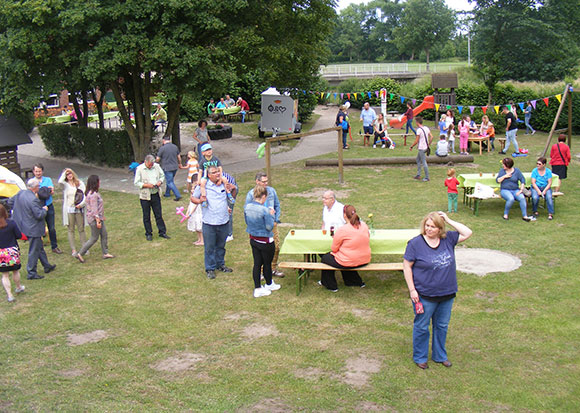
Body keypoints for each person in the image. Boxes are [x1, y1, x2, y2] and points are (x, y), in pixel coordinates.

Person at [403, 211, 472, 369]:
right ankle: (420, 357)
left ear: (440, 229)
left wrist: (448, 219)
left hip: (447, 294)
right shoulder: (415, 244)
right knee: (422, 326)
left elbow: (467, 232)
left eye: (433, 227)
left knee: (441, 326)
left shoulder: (448, 239)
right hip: (425, 295)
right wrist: (412, 290)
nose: (429, 229)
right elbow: (407, 266)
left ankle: (440, 355)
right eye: (427, 226)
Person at [7, 179, 56, 280]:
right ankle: (31, 272)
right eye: (38, 186)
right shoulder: (33, 199)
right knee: (34, 249)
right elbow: (39, 215)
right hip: (33, 228)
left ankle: (46, 265)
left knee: (38, 246)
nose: (39, 188)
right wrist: (44, 209)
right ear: (34, 188)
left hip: (22, 225)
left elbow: (10, 202)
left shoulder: (20, 193)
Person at [191, 166, 233, 279]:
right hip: (209, 222)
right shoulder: (202, 186)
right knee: (209, 247)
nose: (217, 174)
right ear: (209, 175)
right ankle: (210, 268)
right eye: (214, 173)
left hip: (223, 221)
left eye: (218, 172)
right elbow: (193, 198)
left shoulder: (224, 183)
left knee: (221, 245)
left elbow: (231, 194)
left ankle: (220, 264)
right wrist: (200, 201)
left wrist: (231, 189)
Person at [319, 205, 370, 292]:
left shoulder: (343, 229)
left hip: (349, 260)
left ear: (344, 215)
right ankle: (353, 281)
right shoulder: (364, 225)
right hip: (364, 259)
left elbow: (334, 249)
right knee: (344, 258)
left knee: (325, 257)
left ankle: (330, 285)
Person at [244, 185, 282, 298]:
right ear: (264, 196)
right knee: (267, 263)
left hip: (253, 239)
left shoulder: (247, 207)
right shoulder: (265, 210)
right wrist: (271, 215)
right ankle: (263, 286)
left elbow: (247, 221)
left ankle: (264, 285)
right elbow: (269, 226)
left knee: (257, 263)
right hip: (265, 241)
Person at [245, 172, 284, 278]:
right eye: (263, 181)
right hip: (259, 226)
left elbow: (277, 205)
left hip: (271, 223)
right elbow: (247, 210)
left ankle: (272, 268)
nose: (266, 183)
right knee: (260, 250)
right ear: (257, 182)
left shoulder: (271, 191)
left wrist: (275, 219)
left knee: (276, 247)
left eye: (267, 181)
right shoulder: (250, 194)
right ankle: (262, 271)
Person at [76, 175, 114, 262]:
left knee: (104, 234)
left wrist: (101, 217)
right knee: (94, 238)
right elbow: (94, 209)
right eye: (98, 181)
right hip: (94, 220)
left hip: (98, 218)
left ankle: (105, 252)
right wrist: (98, 220)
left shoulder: (92, 193)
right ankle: (80, 253)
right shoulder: (93, 195)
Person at [134, 154, 170, 241]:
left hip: (155, 193)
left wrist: (159, 182)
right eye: (150, 165)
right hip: (145, 196)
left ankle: (162, 232)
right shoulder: (140, 169)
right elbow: (136, 182)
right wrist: (146, 185)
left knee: (158, 214)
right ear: (146, 162)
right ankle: (148, 233)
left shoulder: (157, 167)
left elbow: (162, 176)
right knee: (146, 215)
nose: (151, 166)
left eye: (152, 164)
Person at [32, 163, 61, 254]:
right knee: (39, 228)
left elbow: (51, 192)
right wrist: (44, 191)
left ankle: (54, 246)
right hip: (38, 207)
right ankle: (40, 248)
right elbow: (32, 194)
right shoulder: (31, 181)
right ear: (33, 172)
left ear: (42, 171)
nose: (38, 173)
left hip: (49, 205)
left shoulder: (47, 180)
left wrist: (46, 191)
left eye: (39, 171)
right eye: (36, 171)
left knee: (51, 227)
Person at [58, 168, 87, 257]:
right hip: (69, 209)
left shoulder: (79, 183)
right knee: (71, 229)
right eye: (67, 174)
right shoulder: (66, 185)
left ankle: (84, 247)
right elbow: (60, 182)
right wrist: (64, 173)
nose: (69, 176)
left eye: (70, 173)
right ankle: (73, 249)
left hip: (78, 208)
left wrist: (81, 204)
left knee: (81, 228)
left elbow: (84, 195)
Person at [496, 157, 535, 222]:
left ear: (508, 165)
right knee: (510, 199)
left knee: (522, 198)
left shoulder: (517, 171)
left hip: (515, 190)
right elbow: (498, 180)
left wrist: (521, 189)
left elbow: (522, 180)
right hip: (505, 190)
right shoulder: (502, 171)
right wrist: (504, 176)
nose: (503, 165)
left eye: (504, 164)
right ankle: (505, 214)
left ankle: (525, 216)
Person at [0, 204, 24, 302]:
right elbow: (18, 235)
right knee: (15, 271)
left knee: (5, 275)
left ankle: (9, 295)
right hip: (12, 251)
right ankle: (18, 287)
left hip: (1, 253)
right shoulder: (11, 223)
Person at [156, 137, 182, 201]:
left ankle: (178, 195)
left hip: (167, 167)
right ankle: (167, 193)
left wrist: (156, 163)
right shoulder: (175, 147)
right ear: (169, 140)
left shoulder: (162, 148)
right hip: (175, 167)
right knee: (170, 180)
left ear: (163, 140)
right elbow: (179, 157)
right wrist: (180, 163)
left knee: (170, 181)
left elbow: (158, 159)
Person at [410, 116, 433, 182]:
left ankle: (427, 177)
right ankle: (418, 174)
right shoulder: (426, 128)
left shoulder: (419, 130)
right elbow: (431, 137)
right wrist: (429, 144)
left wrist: (411, 146)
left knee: (423, 162)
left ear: (417, 122)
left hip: (421, 148)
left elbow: (416, 140)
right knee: (418, 159)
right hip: (425, 147)